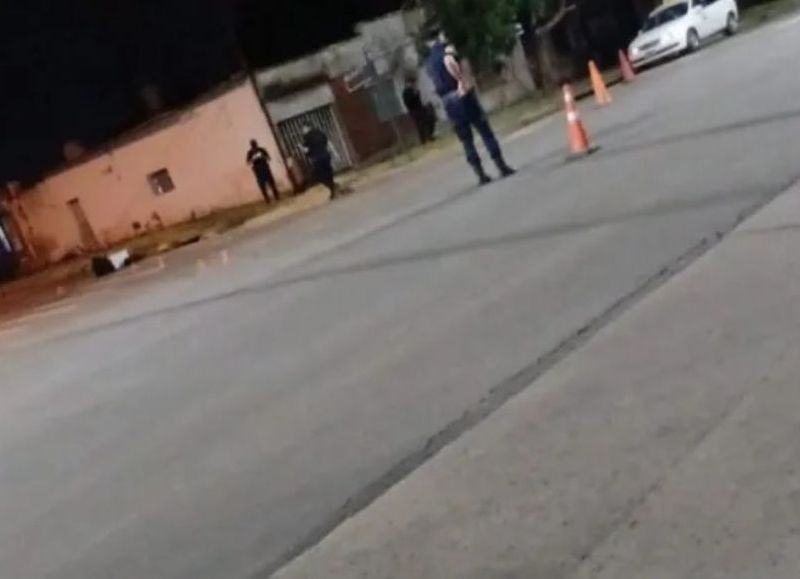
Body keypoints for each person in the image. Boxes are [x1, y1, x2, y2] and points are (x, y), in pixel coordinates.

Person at [426, 32, 515, 185]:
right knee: (485, 131)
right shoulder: (446, 51)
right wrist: (461, 80)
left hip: (448, 101)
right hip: (461, 95)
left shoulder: (430, 62)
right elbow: (451, 63)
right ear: (440, 37)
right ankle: (501, 165)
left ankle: (480, 174)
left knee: (466, 140)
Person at [302, 124, 340, 199]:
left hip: (317, 159)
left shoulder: (306, 137)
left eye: (303, 129)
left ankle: (333, 187)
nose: (303, 131)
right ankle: (333, 190)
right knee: (328, 173)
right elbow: (328, 143)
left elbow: (306, 150)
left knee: (319, 176)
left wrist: (303, 150)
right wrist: (335, 153)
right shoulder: (320, 132)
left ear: (307, 128)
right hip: (326, 156)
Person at [402, 77, 435, 144]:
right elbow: (408, 102)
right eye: (410, 83)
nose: (412, 84)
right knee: (419, 125)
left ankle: (429, 136)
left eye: (412, 83)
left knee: (428, 121)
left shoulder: (415, 90)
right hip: (414, 110)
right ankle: (423, 140)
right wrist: (414, 95)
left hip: (420, 108)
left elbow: (419, 99)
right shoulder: (406, 92)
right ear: (407, 84)